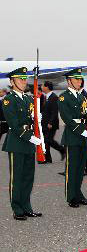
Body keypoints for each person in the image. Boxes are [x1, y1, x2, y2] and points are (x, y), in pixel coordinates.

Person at [2, 67, 43, 220]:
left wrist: (36, 118)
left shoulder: (27, 99)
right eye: (20, 79)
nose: (24, 82)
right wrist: (29, 136)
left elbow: (30, 120)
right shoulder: (8, 99)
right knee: (17, 177)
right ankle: (17, 208)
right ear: (12, 82)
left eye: (25, 79)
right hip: (17, 142)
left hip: (28, 142)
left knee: (28, 177)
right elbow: (13, 123)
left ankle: (27, 206)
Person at [58, 68, 87, 208]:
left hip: (83, 136)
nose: (79, 81)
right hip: (73, 136)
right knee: (72, 168)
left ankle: (78, 194)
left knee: (80, 169)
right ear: (69, 81)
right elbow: (67, 119)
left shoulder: (82, 97)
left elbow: (84, 116)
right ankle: (71, 196)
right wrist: (83, 131)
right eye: (76, 79)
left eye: (80, 79)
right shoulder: (64, 97)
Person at [41, 81, 65, 164]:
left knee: (49, 140)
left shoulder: (54, 97)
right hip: (44, 123)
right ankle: (47, 159)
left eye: (43, 86)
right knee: (45, 141)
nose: (41, 87)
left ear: (47, 87)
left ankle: (62, 150)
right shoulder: (45, 97)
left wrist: (50, 122)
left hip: (51, 124)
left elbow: (55, 112)